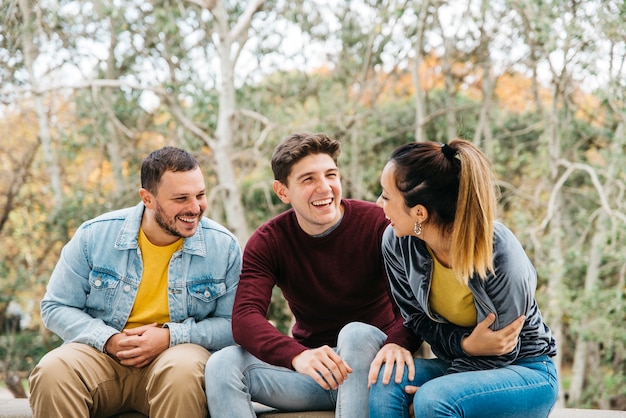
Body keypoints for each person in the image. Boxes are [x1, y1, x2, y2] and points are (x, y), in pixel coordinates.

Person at [205, 132, 421, 418]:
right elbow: (245, 318)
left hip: (372, 365)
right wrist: (298, 354)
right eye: (308, 179)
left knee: (354, 333)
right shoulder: (269, 240)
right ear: (283, 192)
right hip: (316, 374)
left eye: (330, 175)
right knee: (222, 364)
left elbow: (417, 307)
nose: (325, 188)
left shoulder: (380, 224)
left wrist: (397, 342)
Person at [29, 146, 242, 418]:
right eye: (181, 198)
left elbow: (233, 324)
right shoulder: (94, 235)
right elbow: (56, 307)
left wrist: (169, 337)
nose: (194, 208)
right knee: (52, 371)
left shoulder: (223, 246)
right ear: (147, 199)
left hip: (176, 357)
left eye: (200, 195)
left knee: (184, 372)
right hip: (102, 356)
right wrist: (109, 340)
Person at [369, 138, 558, 418]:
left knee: (434, 400)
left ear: (419, 212)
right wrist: (465, 346)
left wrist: (445, 384)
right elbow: (418, 321)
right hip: (463, 362)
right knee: (387, 380)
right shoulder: (397, 243)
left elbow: (504, 347)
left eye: (386, 196)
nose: (378, 203)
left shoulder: (498, 251)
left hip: (526, 369)